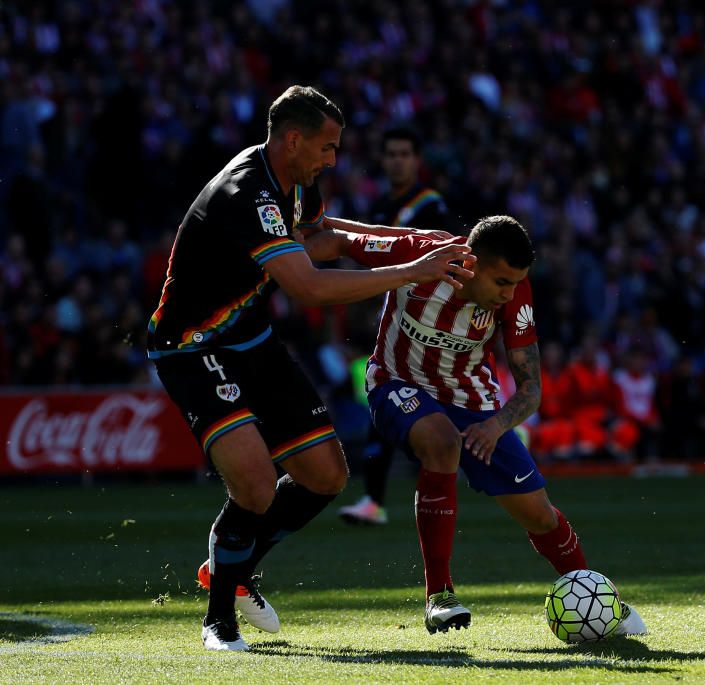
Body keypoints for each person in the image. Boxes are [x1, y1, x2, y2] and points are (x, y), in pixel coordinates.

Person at [146, 85, 472, 651]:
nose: (332, 159)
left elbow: (321, 238)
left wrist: (408, 243)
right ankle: (218, 617)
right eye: (327, 147)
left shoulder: (295, 181)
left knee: (326, 476)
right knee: (254, 484)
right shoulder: (246, 191)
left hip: (251, 339)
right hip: (193, 346)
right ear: (292, 139)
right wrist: (411, 271)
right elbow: (309, 286)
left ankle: (236, 566)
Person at [304, 214, 647, 635]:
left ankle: (598, 599)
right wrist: (281, 255)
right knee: (442, 443)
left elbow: (530, 389)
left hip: (474, 404)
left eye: (516, 282)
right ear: (472, 262)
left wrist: (496, 426)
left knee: (540, 516)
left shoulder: (516, 293)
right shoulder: (422, 254)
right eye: (501, 282)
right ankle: (439, 595)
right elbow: (337, 241)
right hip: (395, 383)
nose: (509, 293)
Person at [339, 127, 451, 526]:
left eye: (405, 153)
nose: (397, 160)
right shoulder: (386, 206)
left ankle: (500, 441)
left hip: (425, 324)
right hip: (395, 321)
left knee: (401, 404)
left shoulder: (431, 207)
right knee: (385, 405)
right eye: (391, 154)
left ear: (417, 160)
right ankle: (374, 499)